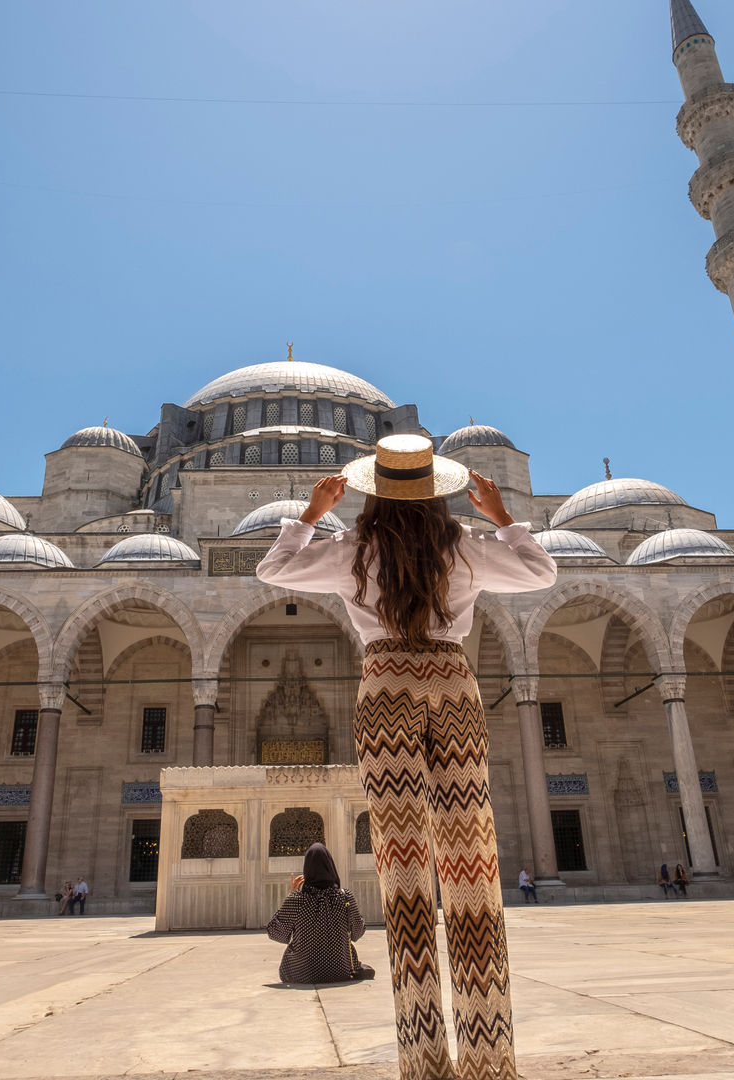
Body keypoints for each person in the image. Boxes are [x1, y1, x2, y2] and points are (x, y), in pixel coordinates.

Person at [257, 437, 555, 1080]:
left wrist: (311, 513)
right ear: (437, 493)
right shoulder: (464, 548)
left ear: (372, 494)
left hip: (385, 687)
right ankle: (488, 1058)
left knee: (405, 870)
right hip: (452, 687)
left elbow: (273, 571)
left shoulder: (351, 551)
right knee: (471, 864)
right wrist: (502, 516)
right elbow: (541, 574)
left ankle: (423, 1061)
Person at [267, 842, 373, 984]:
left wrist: (290, 895)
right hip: (340, 971)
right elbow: (357, 933)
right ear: (331, 867)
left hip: (300, 973)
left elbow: (275, 933)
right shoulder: (345, 897)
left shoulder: (297, 900)